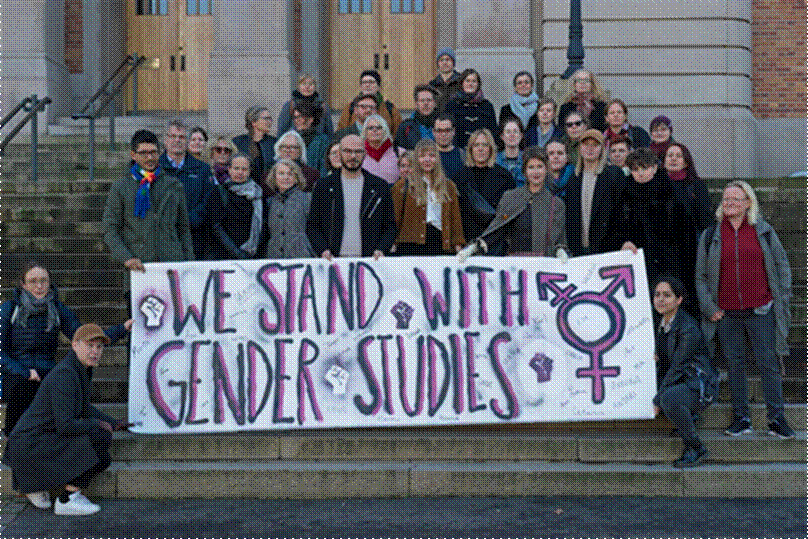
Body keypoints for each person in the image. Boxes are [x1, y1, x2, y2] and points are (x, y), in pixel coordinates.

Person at [695, 181, 795, 439]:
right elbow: (701, 276)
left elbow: (782, 265)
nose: (730, 203)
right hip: (726, 313)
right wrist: (709, 307)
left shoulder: (763, 231)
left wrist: (779, 297)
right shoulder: (711, 235)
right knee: (734, 365)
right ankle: (741, 418)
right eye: (726, 199)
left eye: (736, 199)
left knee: (769, 364)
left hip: (761, 310)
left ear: (748, 203)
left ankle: (776, 419)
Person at [3, 323, 130, 515]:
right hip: (28, 446)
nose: (95, 351)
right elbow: (66, 425)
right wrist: (98, 424)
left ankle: (54, 489)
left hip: (38, 440)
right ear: (74, 345)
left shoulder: (80, 368)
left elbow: (84, 409)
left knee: (102, 457)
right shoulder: (66, 374)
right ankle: (65, 500)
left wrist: (113, 422)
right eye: (90, 346)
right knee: (99, 436)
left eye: (99, 347)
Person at [0, 262, 130, 438]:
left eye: (44, 281)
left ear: (50, 282)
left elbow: (85, 337)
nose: (39, 286)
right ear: (23, 284)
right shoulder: (9, 309)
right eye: (33, 281)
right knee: (25, 386)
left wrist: (122, 328)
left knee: (68, 384)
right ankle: (14, 436)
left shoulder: (57, 309)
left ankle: (110, 423)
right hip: (16, 374)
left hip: (47, 372)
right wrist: (24, 371)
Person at [103, 129, 194, 271]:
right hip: (139, 265)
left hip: (172, 263)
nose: (150, 157)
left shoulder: (174, 185)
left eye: (153, 152)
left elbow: (183, 228)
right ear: (133, 155)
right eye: (143, 153)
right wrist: (126, 257)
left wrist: (189, 262)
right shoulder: (121, 186)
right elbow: (110, 228)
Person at [651, 276, 718, 468]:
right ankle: (688, 417)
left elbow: (678, 366)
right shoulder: (663, 323)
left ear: (678, 300)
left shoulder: (688, 327)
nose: (661, 299)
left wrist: (657, 400)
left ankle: (695, 447)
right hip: (683, 381)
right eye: (657, 295)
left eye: (667, 295)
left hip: (700, 385)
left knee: (668, 399)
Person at [306, 134, 397, 260]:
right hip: (333, 261)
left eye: (358, 151)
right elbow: (313, 225)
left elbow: (390, 226)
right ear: (339, 154)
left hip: (369, 262)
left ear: (365, 154)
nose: (353, 156)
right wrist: (322, 250)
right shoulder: (323, 186)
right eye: (348, 151)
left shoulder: (380, 187)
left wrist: (381, 249)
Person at [466, 146, 566, 258]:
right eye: (531, 167)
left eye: (539, 167)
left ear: (546, 169)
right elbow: (498, 229)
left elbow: (559, 238)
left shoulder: (556, 203)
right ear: (524, 171)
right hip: (515, 266)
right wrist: (476, 246)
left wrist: (560, 250)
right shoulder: (511, 197)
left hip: (543, 266)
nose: (536, 172)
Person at [613, 147, 686, 287]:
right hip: (634, 258)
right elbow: (615, 225)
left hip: (666, 260)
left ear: (654, 168)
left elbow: (682, 230)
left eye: (645, 168)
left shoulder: (669, 190)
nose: (640, 173)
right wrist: (623, 241)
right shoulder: (622, 191)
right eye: (635, 169)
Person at [391, 139, 465, 255]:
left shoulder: (448, 186)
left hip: (439, 243)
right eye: (422, 156)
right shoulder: (403, 185)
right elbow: (395, 218)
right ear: (416, 159)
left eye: (431, 155)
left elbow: (455, 219)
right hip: (411, 246)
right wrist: (392, 243)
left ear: (437, 159)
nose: (427, 159)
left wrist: (458, 246)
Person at [665, 142, 712, 315]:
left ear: (686, 162)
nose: (673, 159)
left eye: (678, 156)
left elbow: (705, 218)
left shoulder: (696, 185)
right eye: (670, 155)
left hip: (690, 247)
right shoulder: (657, 184)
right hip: (666, 248)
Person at [158, 119, 215, 260]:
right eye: (173, 136)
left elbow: (208, 201)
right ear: (165, 140)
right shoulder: (154, 169)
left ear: (187, 141)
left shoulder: (203, 169)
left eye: (182, 137)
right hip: (162, 239)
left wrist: (188, 220)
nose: (177, 140)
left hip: (194, 237)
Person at [562, 128, 624, 257]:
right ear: (580, 148)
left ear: (602, 149)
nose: (590, 149)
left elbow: (621, 212)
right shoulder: (573, 178)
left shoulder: (613, 174)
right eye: (586, 144)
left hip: (606, 248)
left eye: (595, 145)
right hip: (578, 251)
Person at [455, 128, 516, 242]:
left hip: (496, 240)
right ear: (471, 149)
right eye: (476, 145)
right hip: (467, 239)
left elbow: (510, 214)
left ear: (491, 149)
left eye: (485, 145)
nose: (480, 149)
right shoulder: (459, 178)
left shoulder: (505, 176)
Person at [204, 153, 268, 260]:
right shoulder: (218, 192)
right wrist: (237, 253)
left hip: (253, 257)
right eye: (236, 168)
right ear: (229, 169)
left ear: (249, 171)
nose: (240, 172)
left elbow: (264, 224)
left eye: (244, 169)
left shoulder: (258, 194)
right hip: (224, 256)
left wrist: (250, 251)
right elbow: (216, 226)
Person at [263, 159, 314, 259]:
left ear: (296, 178)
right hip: (274, 259)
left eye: (290, 174)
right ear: (274, 177)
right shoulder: (269, 202)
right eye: (281, 173)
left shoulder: (307, 199)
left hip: (302, 257)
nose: (286, 177)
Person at [444, 68, 498, 150]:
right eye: (467, 81)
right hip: (459, 152)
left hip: (481, 152)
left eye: (474, 81)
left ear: (478, 84)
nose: (470, 84)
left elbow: (493, 133)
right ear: (462, 83)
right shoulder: (452, 105)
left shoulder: (487, 106)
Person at [337, 69, 402, 135]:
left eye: (371, 82)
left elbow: (398, 134)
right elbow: (340, 132)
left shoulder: (389, 108)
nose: (367, 85)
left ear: (379, 86)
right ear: (361, 86)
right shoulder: (350, 107)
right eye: (364, 82)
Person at [277, 74, 334, 139]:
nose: (307, 87)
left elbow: (329, 131)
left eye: (311, 84)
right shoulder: (290, 105)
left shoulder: (323, 106)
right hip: (296, 145)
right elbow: (281, 131)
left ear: (315, 87)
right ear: (299, 87)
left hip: (318, 145)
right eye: (304, 84)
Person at [233, 106, 276, 185]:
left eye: (270, 118)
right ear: (254, 122)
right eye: (266, 118)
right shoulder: (238, 142)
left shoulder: (274, 143)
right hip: (243, 189)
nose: (270, 122)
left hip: (268, 189)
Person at [290, 101, 330, 177]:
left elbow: (324, 167)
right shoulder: (291, 138)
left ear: (311, 119)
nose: (296, 120)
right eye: (295, 117)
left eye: (300, 116)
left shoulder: (322, 140)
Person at [394, 85, 439, 151]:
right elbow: (398, 150)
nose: (426, 103)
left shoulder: (445, 124)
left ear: (434, 103)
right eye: (422, 100)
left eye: (429, 100)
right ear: (416, 104)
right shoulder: (405, 126)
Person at [499, 71, 539, 144]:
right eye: (519, 83)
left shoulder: (540, 108)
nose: (523, 85)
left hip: (535, 150)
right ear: (515, 87)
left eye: (526, 82)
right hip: (513, 150)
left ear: (532, 85)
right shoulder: (506, 110)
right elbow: (501, 135)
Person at [361, 115, 399, 185]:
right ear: (365, 132)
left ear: (385, 130)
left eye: (379, 127)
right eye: (370, 128)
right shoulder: (359, 153)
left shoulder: (399, 152)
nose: (374, 130)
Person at [432, 112, 465, 181]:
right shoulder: (427, 156)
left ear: (453, 131)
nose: (443, 134)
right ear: (433, 132)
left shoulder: (463, 155)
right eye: (439, 130)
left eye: (447, 130)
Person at [496, 117, 527, 187]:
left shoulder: (528, 159)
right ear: (502, 136)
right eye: (508, 132)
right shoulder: (495, 160)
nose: (512, 135)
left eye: (515, 131)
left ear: (521, 136)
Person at [429, 47, 462, 111]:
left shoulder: (462, 81)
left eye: (447, 59)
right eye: (441, 60)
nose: (444, 62)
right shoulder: (432, 84)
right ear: (438, 64)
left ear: (453, 62)